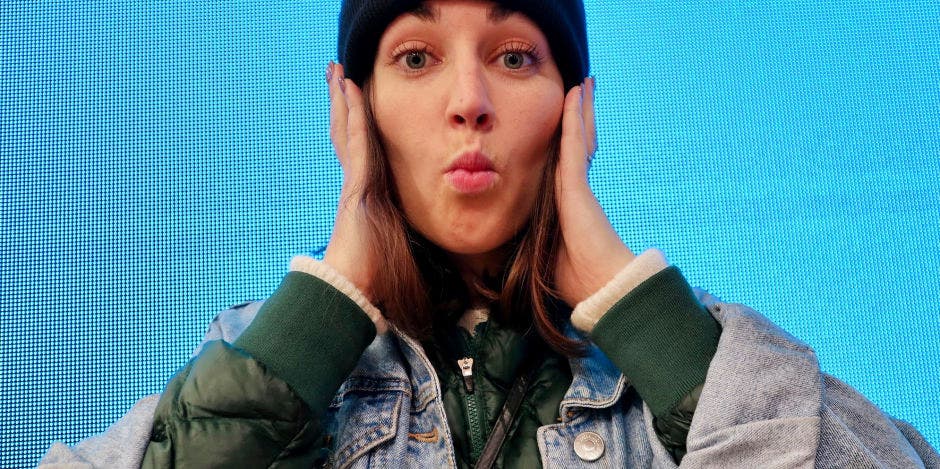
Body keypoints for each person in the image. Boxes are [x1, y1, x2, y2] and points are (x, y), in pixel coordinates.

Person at [42, 0, 938, 467]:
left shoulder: (691, 366)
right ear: (353, 108)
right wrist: (331, 290)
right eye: (416, 57)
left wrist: (635, 303)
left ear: (574, 106)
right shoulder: (259, 360)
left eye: (515, 56)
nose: (468, 100)